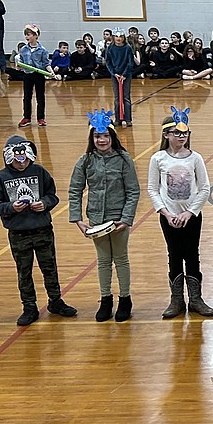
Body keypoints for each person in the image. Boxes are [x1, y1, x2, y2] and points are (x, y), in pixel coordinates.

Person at [0, 135, 77, 326]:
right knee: (24, 271)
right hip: (18, 233)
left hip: (42, 230)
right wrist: (11, 207)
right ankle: (29, 307)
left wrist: (44, 203)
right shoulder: (1, 177)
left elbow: (52, 195)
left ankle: (55, 301)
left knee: (49, 267)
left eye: (25, 159)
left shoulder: (40, 172)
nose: (21, 164)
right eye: (17, 160)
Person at [69, 110, 140, 323]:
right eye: (97, 136)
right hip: (97, 220)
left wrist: (126, 218)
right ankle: (105, 299)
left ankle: (125, 299)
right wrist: (78, 219)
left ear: (112, 137)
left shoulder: (123, 159)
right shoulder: (85, 161)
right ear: (92, 139)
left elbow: (133, 191)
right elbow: (75, 189)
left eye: (106, 136)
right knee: (102, 261)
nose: (102, 140)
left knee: (121, 259)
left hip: (118, 219)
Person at [148, 107, 213, 319]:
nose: (181, 136)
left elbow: (204, 188)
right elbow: (153, 189)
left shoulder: (195, 158)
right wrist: (166, 213)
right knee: (174, 256)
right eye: (176, 132)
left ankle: (196, 299)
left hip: (191, 218)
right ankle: (177, 299)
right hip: (169, 218)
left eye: (185, 132)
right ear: (166, 135)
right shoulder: (158, 159)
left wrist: (191, 213)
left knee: (192, 255)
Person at [17, 24, 51, 128]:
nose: (27, 37)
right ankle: (26, 117)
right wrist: (19, 66)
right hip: (27, 75)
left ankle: (41, 118)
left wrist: (51, 71)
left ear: (36, 35)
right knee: (27, 97)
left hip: (39, 75)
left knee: (40, 97)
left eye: (29, 34)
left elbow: (46, 63)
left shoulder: (42, 50)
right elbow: (20, 62)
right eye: (26, 35)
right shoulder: (23, 49)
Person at [105, 28, 136, 127]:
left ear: (123, 38)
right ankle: (118, 118)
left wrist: (125, 74)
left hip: (126, 75)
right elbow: (108, 62)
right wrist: (114, 73)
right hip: (115, 75)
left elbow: (130, 62)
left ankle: (128, 119)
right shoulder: (110, 48)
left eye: (120, 36)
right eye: (116, 36)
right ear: (113, 37)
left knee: (126, 97)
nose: (118, 38)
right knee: (117, 98)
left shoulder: (127, 48)